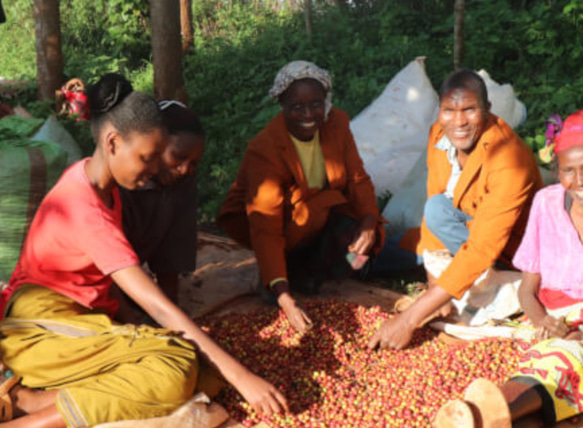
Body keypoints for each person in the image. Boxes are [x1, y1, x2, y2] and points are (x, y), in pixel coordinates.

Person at [0, 73, 288, 428]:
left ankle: (33, 400)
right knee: (177, 369)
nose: (154, 169)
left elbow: (120, 294)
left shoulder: (106, 188)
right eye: (147, 158)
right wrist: (243, 377)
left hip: (77, 322)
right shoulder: (84, 207)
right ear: (113, 142)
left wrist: (159, 334)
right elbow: (157, 304)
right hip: (37, 330)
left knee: (201, 372)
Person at [430, 110, 583, 428]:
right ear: (558, 170)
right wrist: (543, 321)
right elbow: (526, 290)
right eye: (568, 171)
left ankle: (485, 427)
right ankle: (492, 419)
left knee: (570, 366)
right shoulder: (548, 205)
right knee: (563, 363)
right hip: (554, 322)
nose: (577, 181)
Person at [369, 69, 543, 350]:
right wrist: (434, 283)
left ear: (487, 109)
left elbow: (482, 248)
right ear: (439, 110)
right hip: (464, 232)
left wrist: (411, 318)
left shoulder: (510, 159)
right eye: (449, 110)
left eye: (469, 110)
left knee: (458, 262)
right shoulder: (439, 135)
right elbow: (434, 203)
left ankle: (487, 287)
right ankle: (358, 263)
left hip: (507, 252)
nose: (458, 121)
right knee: (421, 220)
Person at [217, 61, 384, 333]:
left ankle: (322, 270)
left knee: (360, 250)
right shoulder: (266, 148)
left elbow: (357, 179)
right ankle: (276, 276)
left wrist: (368, 222)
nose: (309, 114)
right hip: (273, 222)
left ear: (325, 100)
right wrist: (284, 297)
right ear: (282, 105)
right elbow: (265, 226)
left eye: (316, 104)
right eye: (297, 107)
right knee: (309, 216)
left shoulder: (337, 123)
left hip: (317, 211)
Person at [120, 100, 204, 307]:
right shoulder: (123, 180)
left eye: (194, 163)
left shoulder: (182, 179)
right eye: (179, 157)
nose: (184, 169)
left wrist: (170, 306)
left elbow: (174, 243)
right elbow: (108, 257)